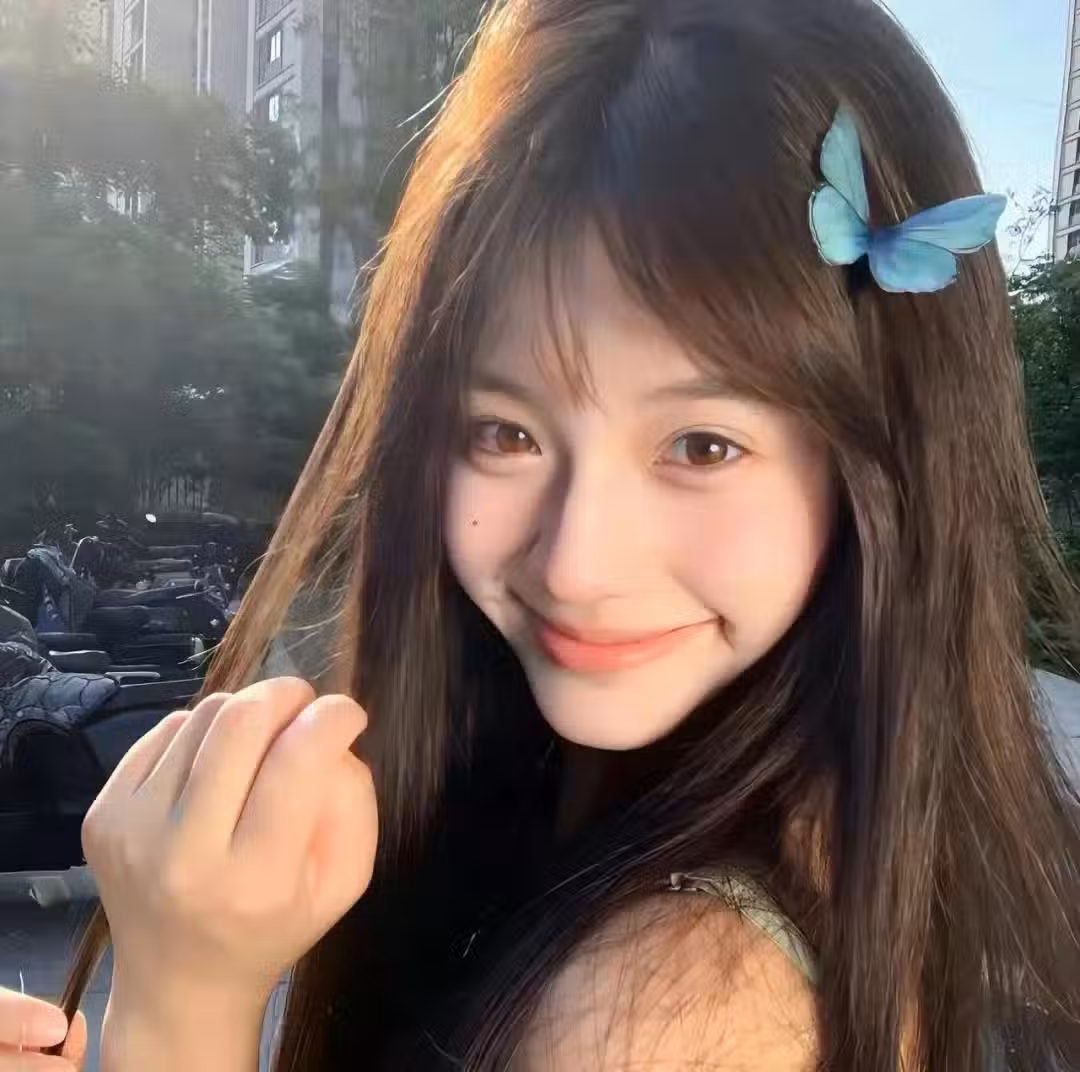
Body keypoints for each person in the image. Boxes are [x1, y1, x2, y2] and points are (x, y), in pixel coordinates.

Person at [6, 0, 1080, 1067]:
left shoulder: (661, 1019)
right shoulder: (822, 836)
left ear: (882, 464)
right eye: (504, 432)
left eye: (702, 445)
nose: (574, 563)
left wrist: (182, 1000)